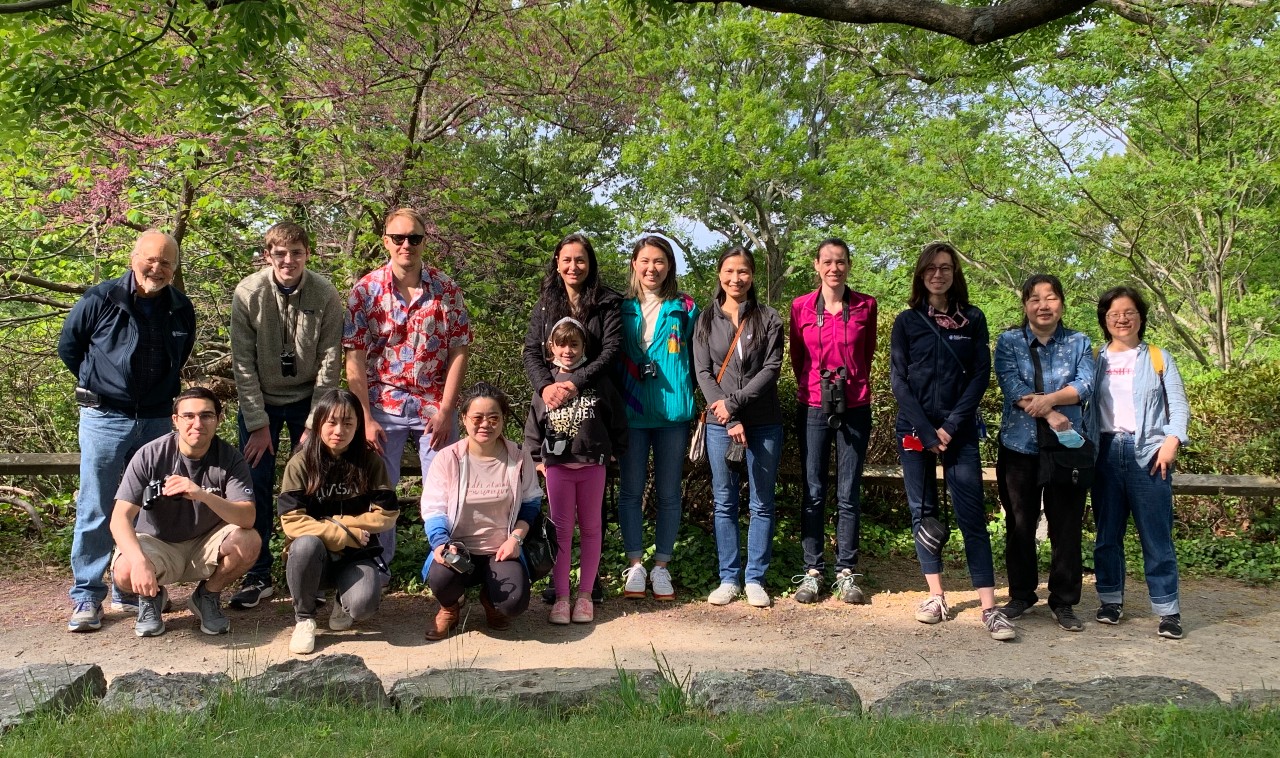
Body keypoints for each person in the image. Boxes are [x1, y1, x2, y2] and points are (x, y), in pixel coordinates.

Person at [58, 229, 196, 632]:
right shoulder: (100, 299)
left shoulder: (181, 308)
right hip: (104, 417)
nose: (158, 268)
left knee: (148, 506)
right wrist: (103, 385)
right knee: (98, 505)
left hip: (156, 418)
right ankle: (87, 595)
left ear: (175, 267)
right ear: (134, 257)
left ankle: (131, 585)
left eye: (167, 262)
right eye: (151, 259)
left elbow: (179, 356)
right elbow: (70, 348)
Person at [889, 242, 1015, 641]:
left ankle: (990, 607)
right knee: (922, 510)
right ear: (921, 274)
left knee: (971, 516)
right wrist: (926, 432)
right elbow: (899, 380)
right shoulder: (907, 321)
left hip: (960, 432)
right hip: (914, 430)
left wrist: (950, 427)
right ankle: (936, 595)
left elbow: (980, 375)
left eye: (945, 268)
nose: (938, 274)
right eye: (931, 268)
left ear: (954, 274)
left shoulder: (973, 319)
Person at [344, 207, 472, 571]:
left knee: (446, 493)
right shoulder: (365, 291)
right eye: (398, 238)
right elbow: (354, 360)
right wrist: (364, 418)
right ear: (386, 241)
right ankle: (376, 570)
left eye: (413, 238)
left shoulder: (446, 290)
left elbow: (459, 350)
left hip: (435, 407)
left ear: (423, 241)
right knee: (379, 494)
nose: (406, 245)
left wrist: (448, 410)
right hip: (382, 405)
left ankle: (444, 571)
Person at [229, 221, 344, 610]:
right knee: (254, 486)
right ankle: (257, 574)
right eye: (280, 254)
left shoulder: (325, 293)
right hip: (260, 401)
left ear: (307, 254)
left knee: (314, 485)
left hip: (309, 402)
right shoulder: (248, 293)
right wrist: (258, 423)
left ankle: (315, 574)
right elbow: (242, 363)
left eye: (296, 253)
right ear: (268, 256)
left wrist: (315, 425)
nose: (288, 260)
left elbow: (331, 362)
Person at [108, 387, 258, 638]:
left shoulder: (230, 458)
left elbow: (247, 517)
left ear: (219, 420)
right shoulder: (149, 454)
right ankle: (151, 597)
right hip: (158, 543)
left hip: (206, 542)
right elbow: (119, 518)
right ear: (175, 420)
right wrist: (140, 562)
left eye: (206, 416)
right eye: (189, 416)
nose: (197, 423)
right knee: (124, 570)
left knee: (249, 540)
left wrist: (202, 494)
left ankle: (207, 596)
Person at [522, 232, 621, 604]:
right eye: (566, 260)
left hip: (593, 401)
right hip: (555, 419)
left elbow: (610, 351)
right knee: (559, 520)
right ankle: (559, 584)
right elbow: (532, 350)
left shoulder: (607, 302)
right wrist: (546, 386)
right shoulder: (546, 301)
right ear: (557, 262)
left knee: (593, 519)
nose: (573, 266)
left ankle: (589, 584)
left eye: (580, 260)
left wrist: (575, 382)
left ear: (590, 263)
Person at [995, 274, 1096, 632]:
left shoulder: (1080, 342)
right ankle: (1021, 594)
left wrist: (1050, 400)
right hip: (1019, 447)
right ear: (1025, 305)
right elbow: (1010, 384)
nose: (1043, 305)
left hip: (1067, 448)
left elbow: (1085, 384)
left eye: (1051, 298)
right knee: (1019, 523)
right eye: (1035, 299)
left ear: (1062, 303)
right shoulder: (1008, 342)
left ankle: (1064, 600)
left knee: (1066, 525)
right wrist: (1050, 412)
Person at [1090, 287, 1189, 639]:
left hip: (1148, 453)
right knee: (1107, 535)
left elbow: (1178, 405)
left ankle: (1167, 610)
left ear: (1141, 317)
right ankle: (1110, 600)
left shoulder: (1159, 357)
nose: (1121, 318)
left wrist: (1172, 442)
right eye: (1114, 312)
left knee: (1156, 536)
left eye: (1129, 311)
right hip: (1103, 451)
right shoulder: (1093, 358)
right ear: (1105, 319)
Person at [693, 247, 784, 608]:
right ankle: (729, 577)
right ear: (719, 274)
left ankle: (755, 579)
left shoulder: (770, 318)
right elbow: (702, 372)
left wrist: (735, 403)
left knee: (762, 502)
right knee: (725, 501)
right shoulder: (704, 320)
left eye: (743, 271)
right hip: (720, 426)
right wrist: (728, 416)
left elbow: (771, 368)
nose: (736, 278)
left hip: (764, 423)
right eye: (729, 271)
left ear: (752, 276)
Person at [788, 238, 877, 605]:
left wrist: (850, 382)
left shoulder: (865, 306)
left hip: (854, 404)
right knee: (812, 490)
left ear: (849, 266)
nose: (834, 268)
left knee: (848, 491)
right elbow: (797, 356)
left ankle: (846, 571)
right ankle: (812, 572)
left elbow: (867, 350)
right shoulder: (800, 307)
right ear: (816, 265)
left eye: (840, 262)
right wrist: (817, 387)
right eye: (827, 261)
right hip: (812, 404)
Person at [277, 389, 398, 655]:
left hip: (356, 553)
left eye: (348, 423)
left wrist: (346, 524)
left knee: (364, 606)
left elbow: (387, 514)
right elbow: (292, 522)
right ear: (319, 422)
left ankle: (341, 600)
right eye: (331, 422)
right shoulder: (300, 463)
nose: (339, 430)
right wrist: (341, 531)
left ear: (358, 425)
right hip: (313, 556)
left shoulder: (370, 462)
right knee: (306, 544)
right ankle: (305, 619)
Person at [423, 383, 543, 640]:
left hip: (501, 551)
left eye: (493, 417)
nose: (485, 424)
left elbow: (532, 503)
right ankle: (450, 606)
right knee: (441, 576)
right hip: (459, 550)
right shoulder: (448, 458)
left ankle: (491, 601)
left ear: (503, 419)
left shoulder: (519, 458)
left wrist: (516, 539)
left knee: (514, 603)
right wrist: (441, 544)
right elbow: (434, 509)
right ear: (464, 418)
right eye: (477, 417)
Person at [526, 319, 627, 624]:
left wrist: (613, 452)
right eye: (561, 344)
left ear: (584, 347)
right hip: (557, 469)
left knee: (592, 528)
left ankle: (584, 596)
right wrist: (536, 460)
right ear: (551, 347)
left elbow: (618, 420)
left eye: (574, 344)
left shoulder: (599, 381)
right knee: (561, 532)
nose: (567, 351)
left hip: (591, 467)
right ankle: (561, 596)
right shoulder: (545, 386)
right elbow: (533, 427)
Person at [616, 236, 699, 601]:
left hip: (673, 413)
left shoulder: (686, 307)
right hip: (631, 412)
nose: (652, 268)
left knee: (668, 494)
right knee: (631, 492)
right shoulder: (621, 308)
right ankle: (635, 564)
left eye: (660, 261)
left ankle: (661, 567)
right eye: (645, 261)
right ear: (634, 264)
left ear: (670, 266)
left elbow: (701, 361)